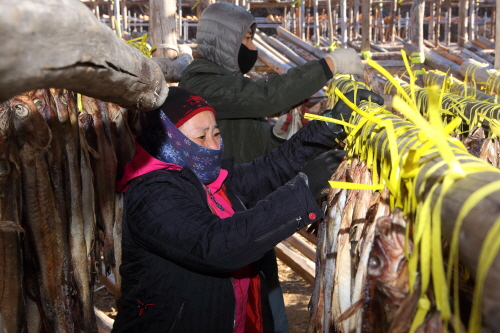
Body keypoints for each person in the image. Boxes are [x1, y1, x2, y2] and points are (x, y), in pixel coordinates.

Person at [111, 87, 383, 333]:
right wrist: (303, 190)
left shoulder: (211, 181)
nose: (213, 146)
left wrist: (328, 128)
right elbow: (216, 245)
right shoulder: (150, 194)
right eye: (200, 137)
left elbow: (271, 168)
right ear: (166, 141)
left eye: (216, 133)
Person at [179, 2, 365, 164]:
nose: (253, 49)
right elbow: (264, 96)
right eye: (248, 39)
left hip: (243, 190)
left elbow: (243, 146)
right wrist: (328, 66)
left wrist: (274, 137)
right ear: (226, 41)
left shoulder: (227, 80)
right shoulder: (201, 81)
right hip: (225, 196)